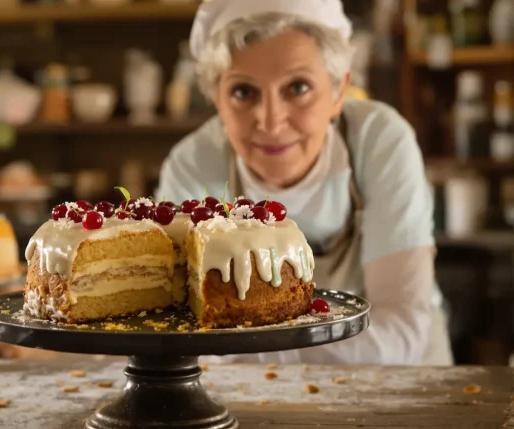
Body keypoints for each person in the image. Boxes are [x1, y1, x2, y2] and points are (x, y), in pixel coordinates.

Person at [155, 0, 454, 365]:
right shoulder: (193, 163)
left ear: (339, 92)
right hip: (246, 388)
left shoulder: (379, 139)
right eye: (243, 92)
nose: (271, 121)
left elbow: (401, 325)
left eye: (297, 87)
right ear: (216, 99)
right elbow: (178, 328)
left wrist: (246, 355)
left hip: (400, 370)